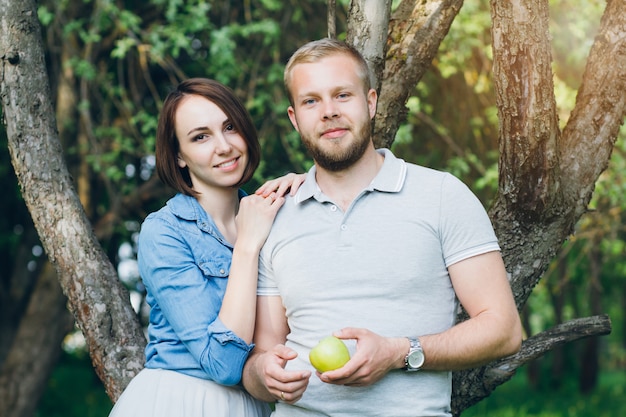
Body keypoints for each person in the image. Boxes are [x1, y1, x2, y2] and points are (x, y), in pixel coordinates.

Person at [241, 38, 523, 416]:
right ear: (295, 119)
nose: (328, 112)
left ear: (370, 102)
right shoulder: (275, 216)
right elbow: (262, 357)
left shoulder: (442, 195)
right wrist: (264, 374)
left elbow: (503, 329)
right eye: (311, 101)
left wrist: (398, 353)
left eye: (342, 95)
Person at [108, 78, 304, 417]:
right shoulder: (165, 233)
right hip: (179, 402)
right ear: (179, 156)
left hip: (253, 405)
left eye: (230, 127)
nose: (224, 146)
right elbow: (223, 363)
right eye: (201, 137)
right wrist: (246, 246)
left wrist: (310, 189)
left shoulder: (272, 215)